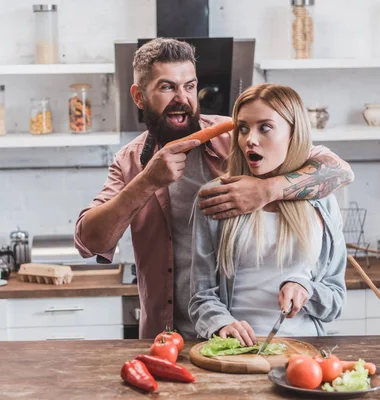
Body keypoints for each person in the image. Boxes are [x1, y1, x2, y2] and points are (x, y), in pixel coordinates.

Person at [74, 38, 353, 339]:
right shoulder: (129, 161)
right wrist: (148, 180)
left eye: (190, 86)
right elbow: (89, 241)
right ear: (139, 96)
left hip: (235, 336)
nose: (182, 98)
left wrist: (267, 190)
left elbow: (337, 169)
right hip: (170, 335)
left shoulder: (234, 134)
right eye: (167, 87)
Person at [188, 83, 347, 346]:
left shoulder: (321, 200)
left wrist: (307, 289)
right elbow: (201, 297)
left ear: (293, 133)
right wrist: (221, 324)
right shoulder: (218, 197)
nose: (250, 139)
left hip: (306, 351)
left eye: (265, 127)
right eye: (243, 128)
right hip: (236, 352)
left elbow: (336, 301)